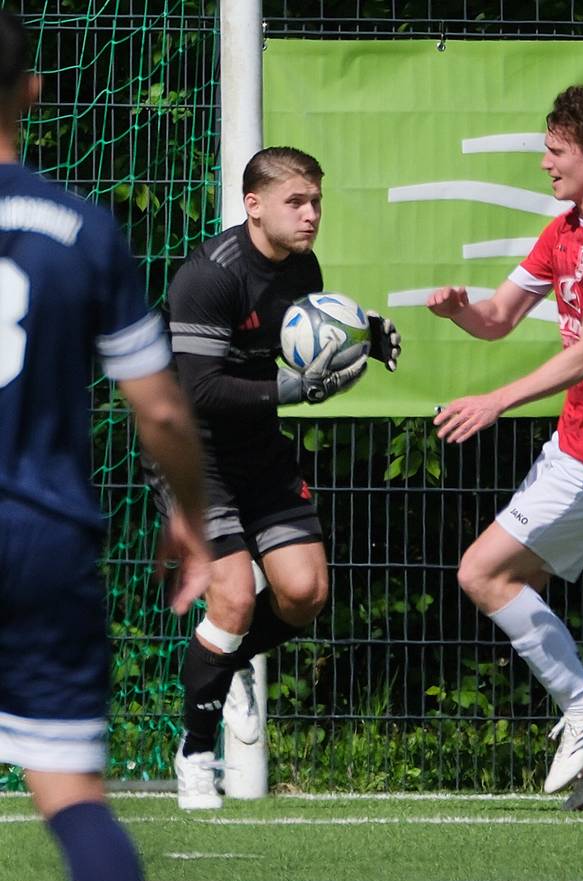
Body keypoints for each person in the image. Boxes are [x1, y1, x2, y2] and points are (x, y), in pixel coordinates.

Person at [0, 11, 211, 881]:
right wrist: (191, 515)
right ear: (33, 91)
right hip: (43, 536)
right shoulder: (82, 227)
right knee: (74, 796)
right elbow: (160, 411)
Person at [427, 85, 583, 810]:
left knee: (480, 572)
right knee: (511, 585)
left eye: (556, 151)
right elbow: (499, 317)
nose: (545, 163)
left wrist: (495, 401)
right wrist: (462, 311)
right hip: (578, 447)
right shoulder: (565, 231)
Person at [154, 145, 401, 809]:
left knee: (304, 592)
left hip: (258, 450)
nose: (311, 213)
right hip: (193, 453)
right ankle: (195, 757)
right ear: (254, 205)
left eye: (316, 200)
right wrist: (290, 390)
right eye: (296, 201)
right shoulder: (208, 276)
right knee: (233, 599)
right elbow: (199, 390)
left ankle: (226, 661)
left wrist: (364, 335)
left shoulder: (303, 266)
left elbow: (303, 338)